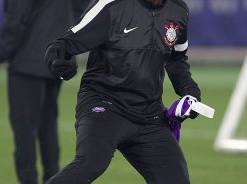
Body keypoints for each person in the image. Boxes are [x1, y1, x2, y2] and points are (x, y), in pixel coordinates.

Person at [45, 0, 201, 183]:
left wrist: (190, 92)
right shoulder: (112, 5)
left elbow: (176, 59)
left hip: (149, 115)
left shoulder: (179, 10)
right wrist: (57, 61)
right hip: (104, 105)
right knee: (89, 164)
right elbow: (63, 44)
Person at [0, 0, 89, 183]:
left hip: (27, 60)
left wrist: (1, 54)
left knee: (25, 131)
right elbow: (82, 8)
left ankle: (29, 180)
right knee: (48, 125)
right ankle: (52, 179)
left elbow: (18, 18)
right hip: (57, 60)